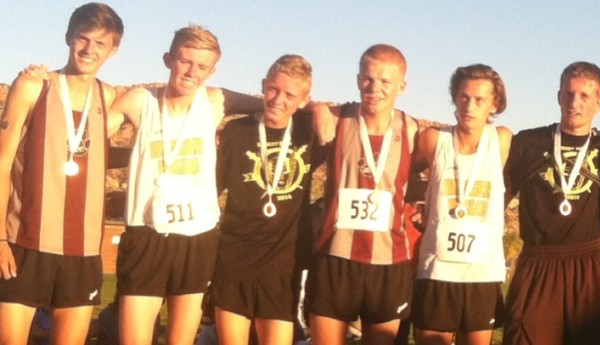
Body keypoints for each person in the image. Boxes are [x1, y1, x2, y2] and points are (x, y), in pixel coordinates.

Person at [104, 24, 262, 345]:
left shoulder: (216, 101)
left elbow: (274, 105)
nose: (192, 72)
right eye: (185, 61)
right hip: (146, 234)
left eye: (202, 66)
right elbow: (86, 135)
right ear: (169, 59)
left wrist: (319, 112)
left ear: (212, 70)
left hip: (197, 236)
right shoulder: (139, 101)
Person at [0, 3, 122, 344]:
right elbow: (2, 162)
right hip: (24, 242)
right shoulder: (33, 85)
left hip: (82, 253)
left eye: (100, 43)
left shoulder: (109, 96)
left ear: (114, 50)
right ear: (69, 38)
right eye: (83, 39)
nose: (89, 50)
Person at [307, 44, 420, 345]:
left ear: (402, 86)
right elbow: (289, 105)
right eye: (368, 79)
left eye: (385, 82)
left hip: (388, 263)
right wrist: (315, 107)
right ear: (358, 79)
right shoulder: (337, 118)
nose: (375, 88)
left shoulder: (413, 131)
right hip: (335, 257)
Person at [502, 61, 600, 345]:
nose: (574, 103)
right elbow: (496, 197)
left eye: (584, 96)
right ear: (558, 96)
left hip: (587, 267)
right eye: (568, 93)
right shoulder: (528, 142)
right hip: (538, 263)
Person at [212, 54, 319, 345]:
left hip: (282, 267)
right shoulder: (237, 131)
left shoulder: (309, 133)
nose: (277, 100)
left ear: (304, 98)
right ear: (263, 85)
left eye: (289, 94)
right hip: (234, 260)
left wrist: (319, 111)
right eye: (272, 89)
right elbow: (211, 189)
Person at [410, 64, 513, 345]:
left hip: (482, 272)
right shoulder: (434, 140)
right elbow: (405, 176)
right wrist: (418, 203)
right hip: (437, 269)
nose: (469, 106)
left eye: (480, 100)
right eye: (464, 96)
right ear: (454, 97)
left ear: (495, 104)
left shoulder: (502, 139)